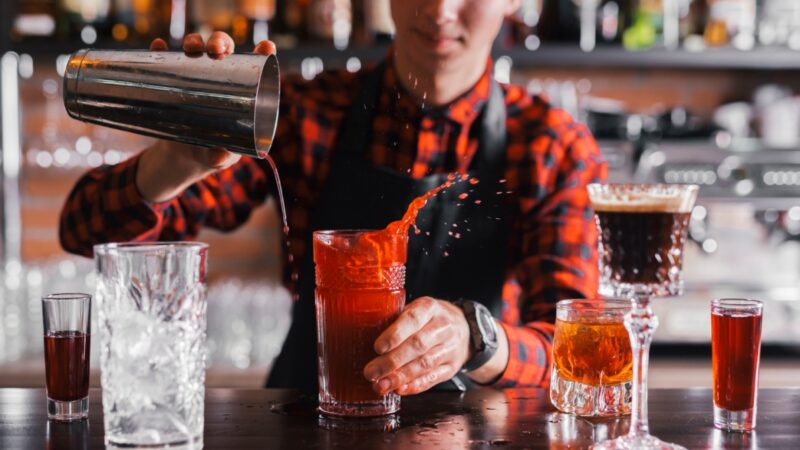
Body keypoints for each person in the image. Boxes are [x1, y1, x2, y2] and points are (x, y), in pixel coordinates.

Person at [59, 0, 606, 395]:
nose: (440, 11)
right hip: (307, 418)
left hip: (475, 431)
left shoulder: (551, 146)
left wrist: (474, 336)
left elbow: (573, 345)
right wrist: (178, 160)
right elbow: (84, 232)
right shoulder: (304, 113)